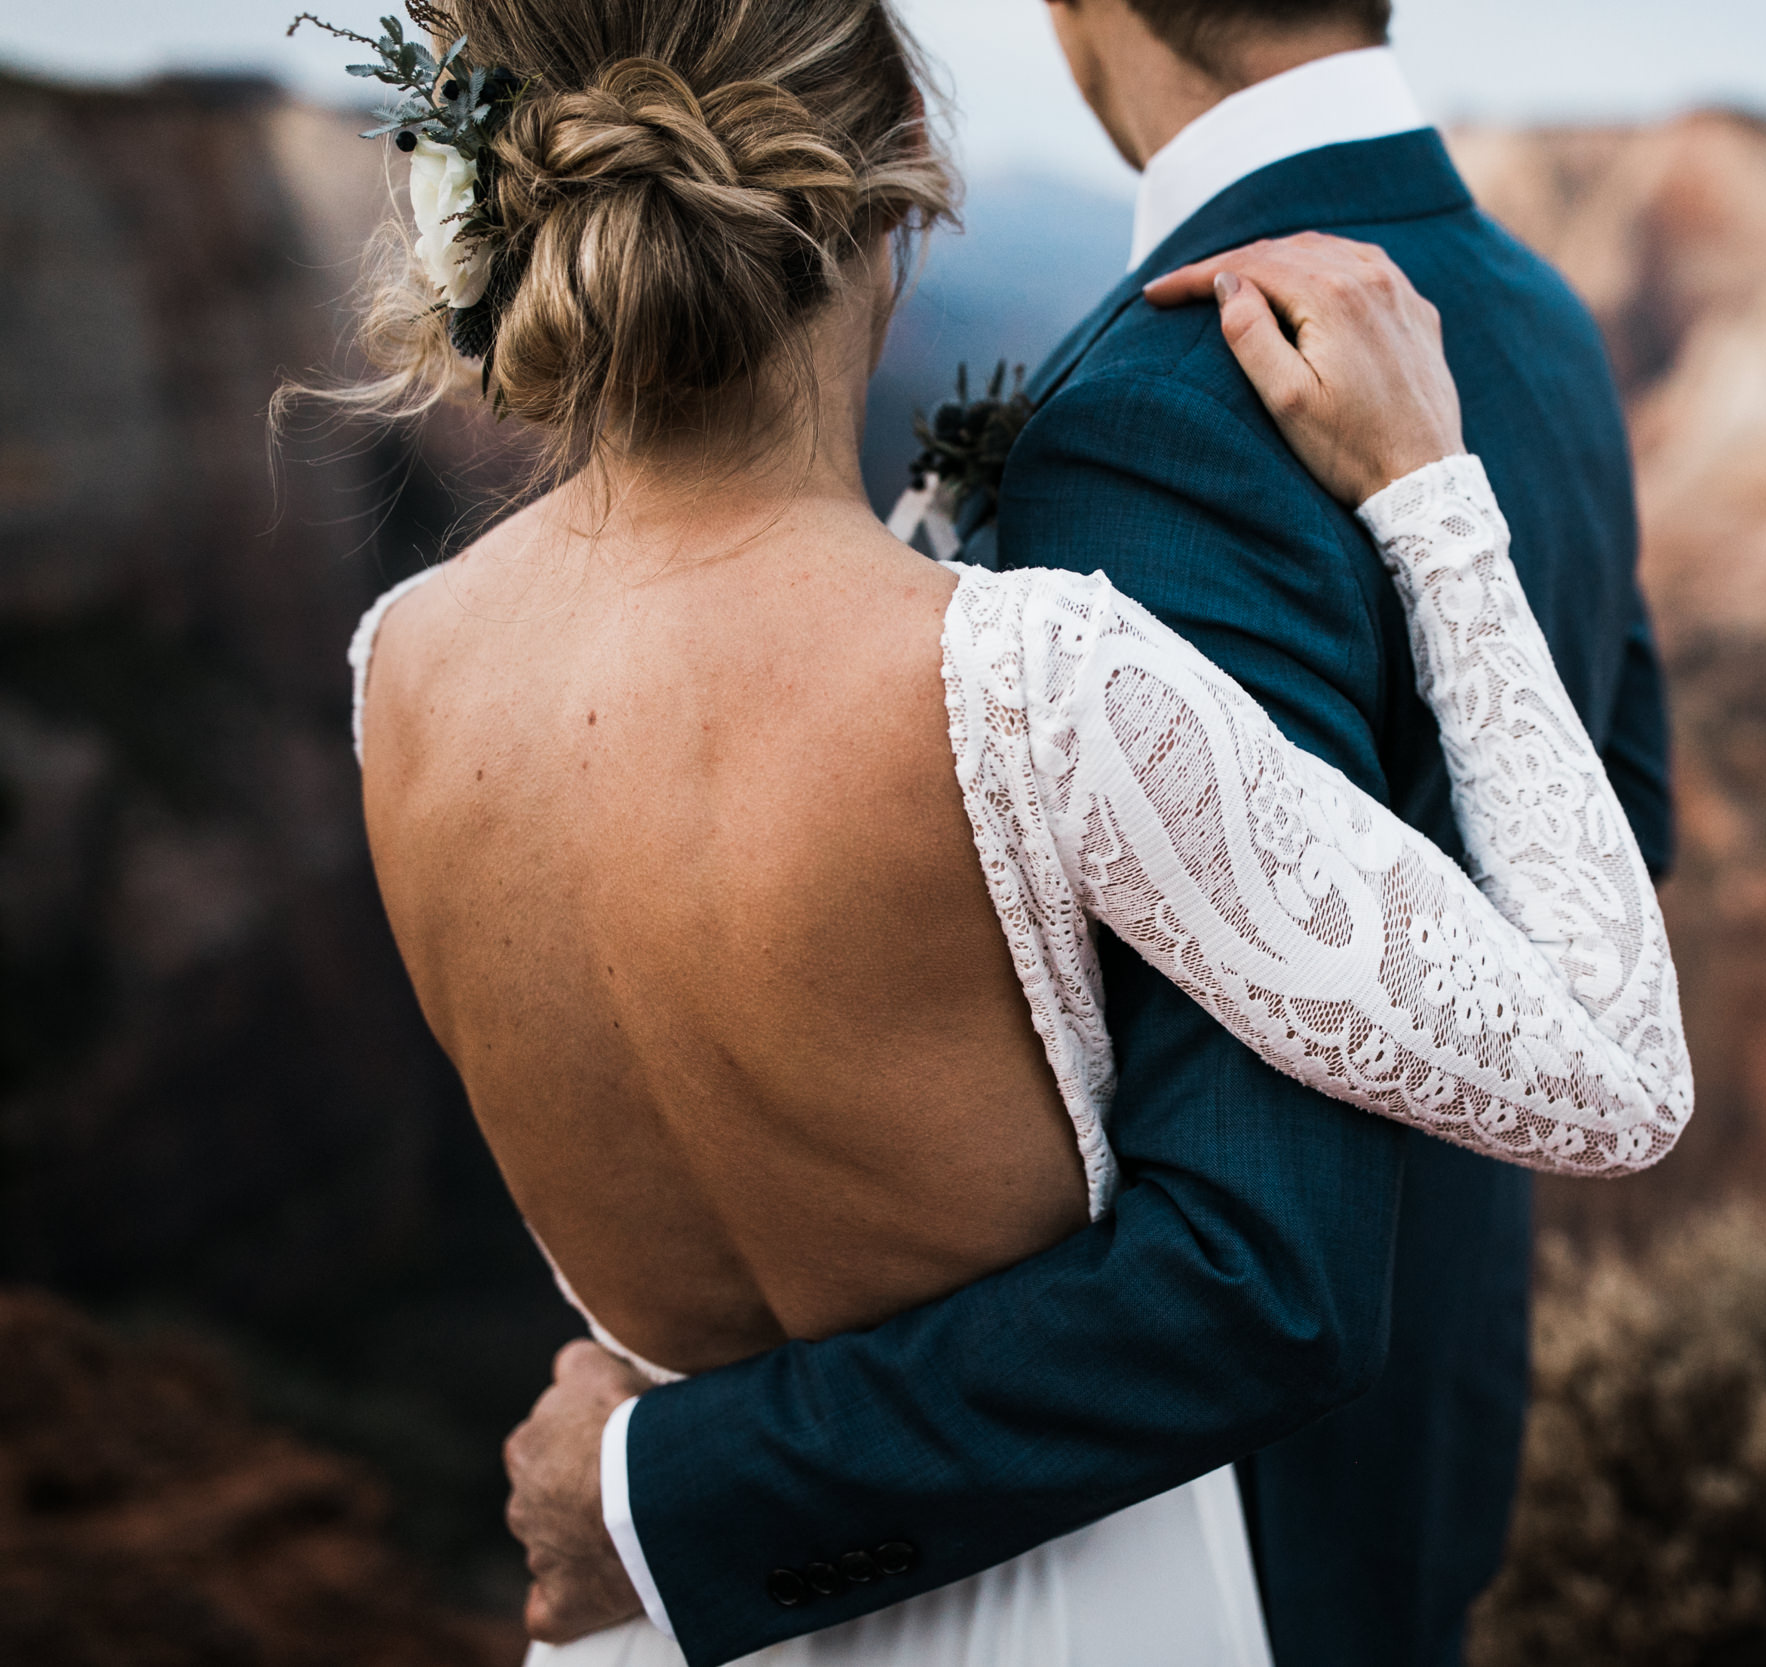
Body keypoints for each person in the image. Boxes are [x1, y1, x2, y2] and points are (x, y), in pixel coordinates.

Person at [349, 1, 1676, 1663]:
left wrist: (647, 1491)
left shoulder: (392, 668)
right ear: (908, 149)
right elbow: (1608, 931)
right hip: (1106, 1575)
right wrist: (1432, 505)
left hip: (664, 1618)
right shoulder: (1048, 657)